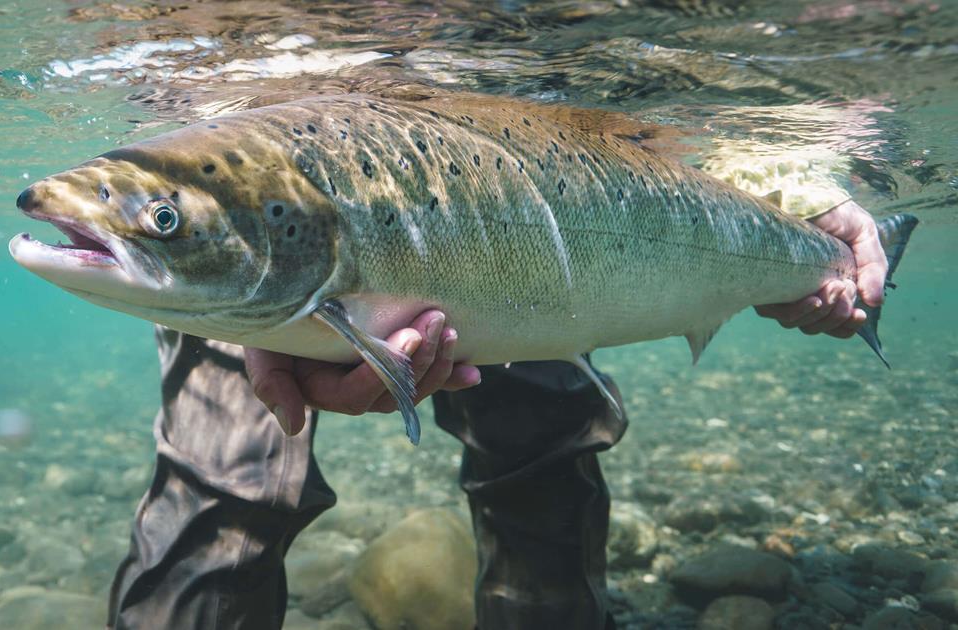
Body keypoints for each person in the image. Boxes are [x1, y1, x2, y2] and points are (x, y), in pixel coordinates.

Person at [107, 196, 889, 630]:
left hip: (516, 206)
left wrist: (810, 197)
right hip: (255, 215)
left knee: (542, 456)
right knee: (221, 490)